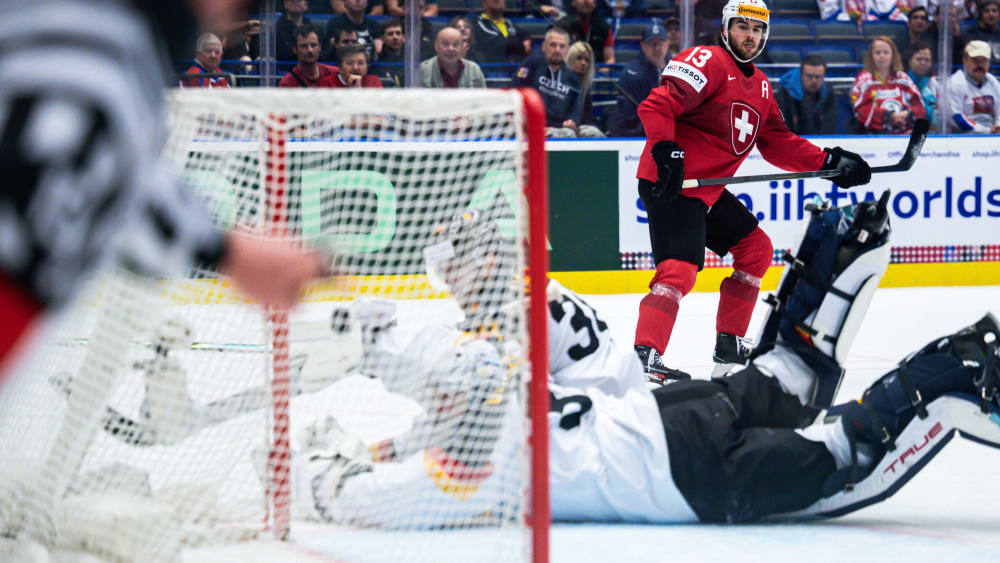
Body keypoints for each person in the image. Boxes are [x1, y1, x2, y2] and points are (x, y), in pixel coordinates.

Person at [297, 206, 1000, 527]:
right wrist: (370, 440)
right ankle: (836, 263)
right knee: (785, 376)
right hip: (661, 411)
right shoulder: (497, 367)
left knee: (842, 456)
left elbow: (387, 490)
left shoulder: (481, 449)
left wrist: (322, 473)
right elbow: (448, 406)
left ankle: (948, 373)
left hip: (679, 467)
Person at [0, 0, 325, 378]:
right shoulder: (94, 50)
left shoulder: (102, 40)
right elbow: (49, 172)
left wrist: (223, 249)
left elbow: (96, 174)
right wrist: (223, 251)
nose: (232, 14)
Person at [633, 0, 872, 384]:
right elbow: (657, 103)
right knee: (678, 271)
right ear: (726, 29)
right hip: (672, 183)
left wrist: (830, 162)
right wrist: (665, 149)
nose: (751, 35)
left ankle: (729, 345)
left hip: (706, 190)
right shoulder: (706, 59)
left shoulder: (760, 85)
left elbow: (777, 142)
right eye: (743, 26)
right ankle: (644, 356)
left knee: (755, 249)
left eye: (758, 29)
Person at [510, 27, 586, 138]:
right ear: (544, 46)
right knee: (567, 134)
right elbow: (516, 91)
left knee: (593, 132)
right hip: (533, 127)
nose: (557, 50)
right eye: (553, 45)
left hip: (562, 128)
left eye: (562, 46)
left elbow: (576, 107)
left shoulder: (572, 77)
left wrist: (573, 121)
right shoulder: (531, 64)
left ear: (568, 50)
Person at [850, 36, 926, 134]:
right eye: (877, 52)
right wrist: (888, 116)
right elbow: (860, 109)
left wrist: (908, 114)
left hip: (905, 135)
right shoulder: (864, 80)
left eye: (886, 52)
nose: (882, 56)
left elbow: (920, 107)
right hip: (873, 136)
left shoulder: (903, 78)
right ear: (871, 56)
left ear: (893, 56)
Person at [607, 20, 670, 137]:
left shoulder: (678, 70)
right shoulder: (632, 74)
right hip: (638, 133)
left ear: (667, 44)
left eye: (660, 43)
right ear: (643, 46)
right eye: (651, 43)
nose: (656, 48)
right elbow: (628, 114)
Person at [942, 40, 1000, 133]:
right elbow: (957, 118)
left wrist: (998, 126)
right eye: (975, 60)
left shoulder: (993, 82)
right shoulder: (953, 83)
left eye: (984, 61)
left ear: (989, 62)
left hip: (992, 135)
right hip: (961, 138)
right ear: (964, 60)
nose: (980, 64)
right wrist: (987, 130)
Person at [776, 54, 837, 135]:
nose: (813, 80)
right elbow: (781, 126)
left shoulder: (828, 93)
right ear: (801, 75)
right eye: (809, 76)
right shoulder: (784, 93)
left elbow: (829, 124)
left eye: (818, 77)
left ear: (824, 76)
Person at [419, 27, 487, 88]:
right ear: (436, 46)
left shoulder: (474, 70)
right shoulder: (423, 70)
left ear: (461, 47)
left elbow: (484, 100)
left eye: (456, 44)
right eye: (446, 44)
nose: (451, 49)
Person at [472, 0, 531, 65]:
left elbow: (526, 37)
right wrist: (521, 46)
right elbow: (496, 43)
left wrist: (526, 42)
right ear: (484, 3)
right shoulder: (477, 24)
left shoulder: (510, 23)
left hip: (513, 71)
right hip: (489, 70)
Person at [556, 0, 615, 64]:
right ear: (573, 2)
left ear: (595, 3)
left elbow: (610, 59)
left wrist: (604, 70)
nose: (586, 1)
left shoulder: (604, 27)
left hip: (597, 71)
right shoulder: (561, 27)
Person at [566, 42, 605, 136]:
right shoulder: (561, 81)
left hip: (578, 127)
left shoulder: (585, 88)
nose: (583, 63)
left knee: (595, 133)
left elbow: (587, 118)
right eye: (579, 58)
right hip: (561, 126)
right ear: (570, 59)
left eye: (587, 60)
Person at [904, 41, 938, 127]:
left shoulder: (935, 84)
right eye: (919, 59)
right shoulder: (901, 81)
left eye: (927, 60)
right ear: (909, 60)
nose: (923, 63)